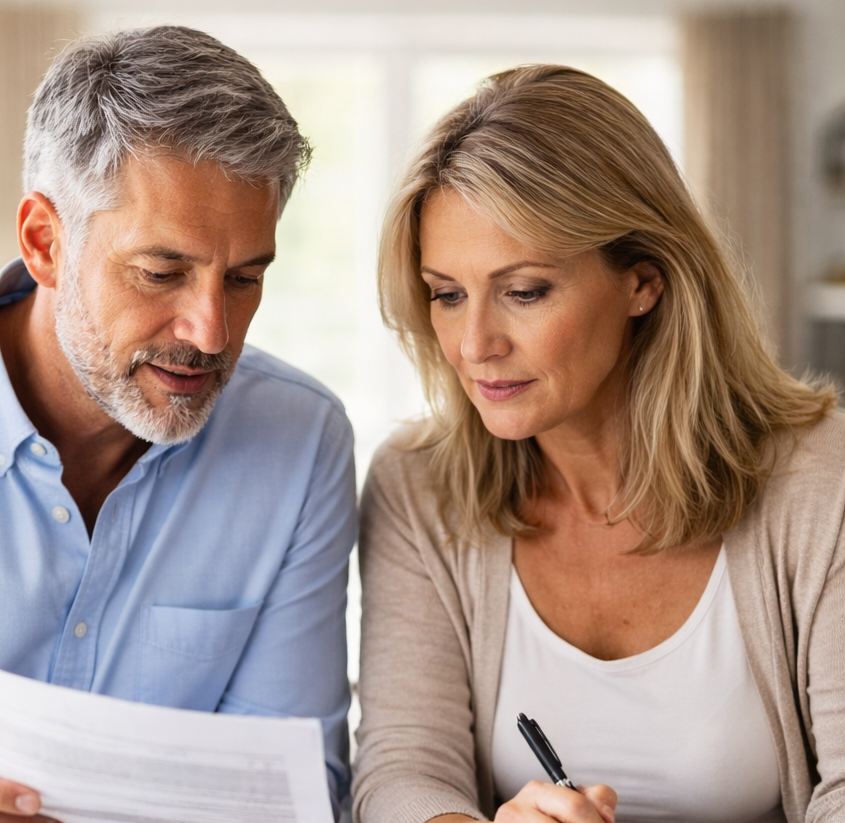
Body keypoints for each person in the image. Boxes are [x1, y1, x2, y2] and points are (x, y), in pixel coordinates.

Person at [0, 26, 356, 823]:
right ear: (45, 242)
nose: (211, 333)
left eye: (244, 278)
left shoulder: (302, 442)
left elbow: (296, 792)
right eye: (160, 272)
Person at [352, 65, 845, 823]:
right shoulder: (418, 487)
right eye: (447, 294)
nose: (475, 343)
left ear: (642, 280)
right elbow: (403, 765)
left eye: (523, 291)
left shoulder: (822, 480)